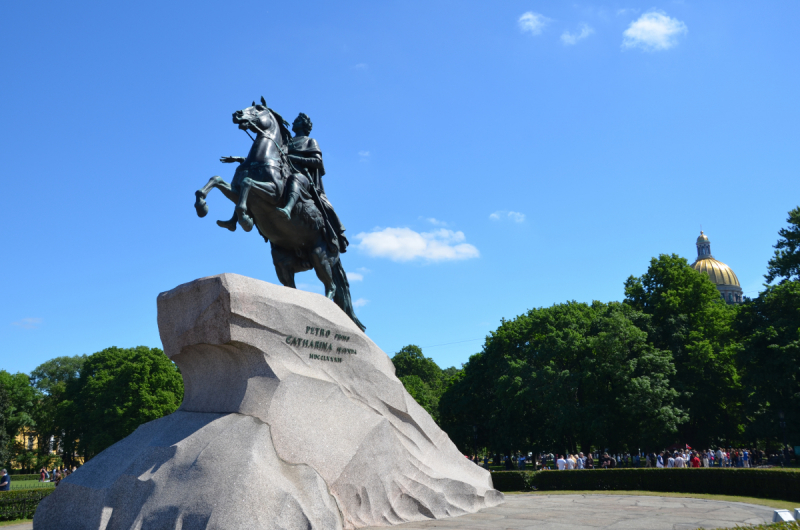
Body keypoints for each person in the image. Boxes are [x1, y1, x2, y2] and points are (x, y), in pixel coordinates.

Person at [276, 113, 348, 253]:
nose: (293, 122)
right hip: (283, 175)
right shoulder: (286, 142)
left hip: (304, 180)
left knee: (295, 178)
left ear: (304, 125)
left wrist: (295, 158)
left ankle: (288, 209)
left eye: (297, 121)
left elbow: (318, 162)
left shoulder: (310, 141)